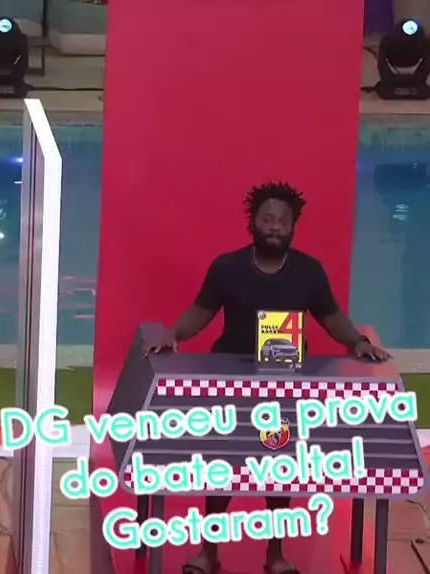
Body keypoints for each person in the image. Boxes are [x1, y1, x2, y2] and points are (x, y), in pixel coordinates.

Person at [144, 181, 390, 574]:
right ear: (253, 223)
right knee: (222, 468)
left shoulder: (309, 272)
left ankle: (276, 555)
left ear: (293, 226)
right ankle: (209, 552)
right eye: (267, 219)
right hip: (230, 387)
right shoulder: (226, 267)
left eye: (282, 221)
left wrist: (358, 342)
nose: (275, 227)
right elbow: (200, 312)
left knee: (279, 469)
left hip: (284, 386)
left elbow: (332, 319)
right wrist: (173, 333)